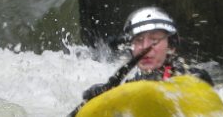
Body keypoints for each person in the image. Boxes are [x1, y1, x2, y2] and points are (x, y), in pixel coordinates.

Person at [83, 6, 213, 101]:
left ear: (171, 46)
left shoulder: (192, 78)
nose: (145, 47)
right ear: (131, 49)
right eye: (139, 40)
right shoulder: (128, 87)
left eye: (154, 40)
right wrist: (101, 97)